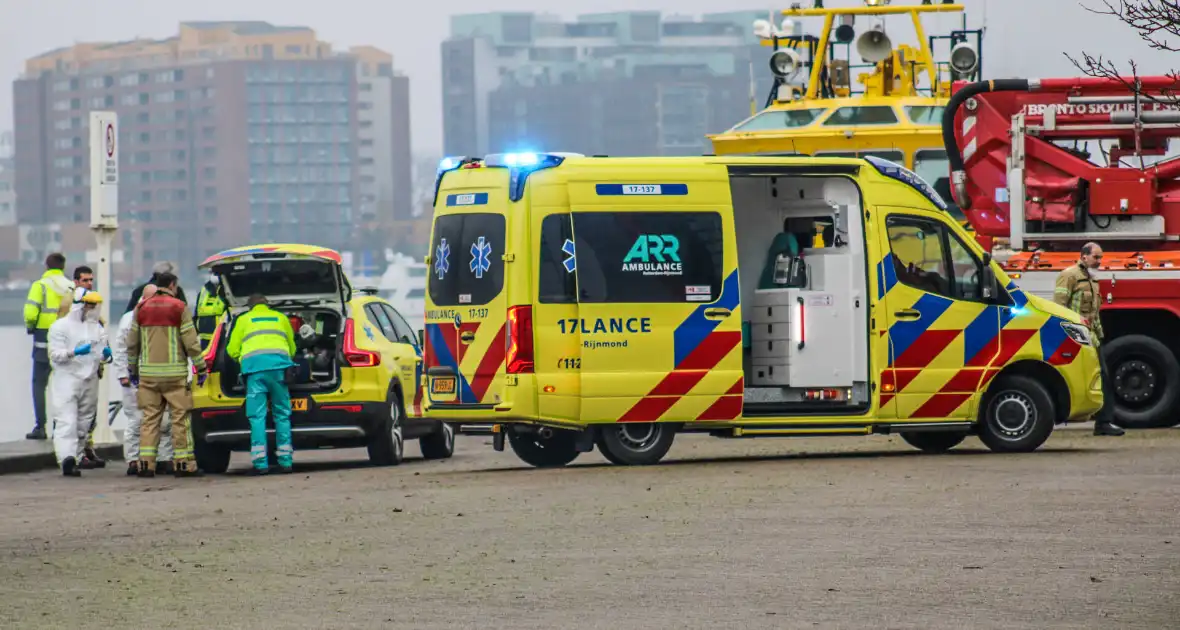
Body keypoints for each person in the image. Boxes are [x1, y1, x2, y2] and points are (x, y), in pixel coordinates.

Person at [126, 272, 207, 478]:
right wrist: (201, 367)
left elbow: (132, 344)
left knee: (149, 420)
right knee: (180, 419)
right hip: (175, 376)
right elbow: (191, 342)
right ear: (172, 285)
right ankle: (183, 464)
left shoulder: (141, 308)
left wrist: (132, 370)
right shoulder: (179, 307)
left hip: (149, 376)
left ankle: (146, 465)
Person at [1054, 242, 1125, 437]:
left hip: (1091, 337)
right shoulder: (1069, 276)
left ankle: (1104, 422)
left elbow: (1094, 313)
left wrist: (1100, 336)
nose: (1099, 261)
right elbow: (1059, 309)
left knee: (1103, 377)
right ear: (1084, 256)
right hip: (1076, 337)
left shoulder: (1093, 280)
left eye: (1101, 257)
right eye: (1096, 257)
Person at [226, 294, 297, 475]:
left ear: (250, 307)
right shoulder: (281, 318)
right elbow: (293, 347)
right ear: (268, 305)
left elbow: (231, 350)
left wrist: (242, 360)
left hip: (255, 372)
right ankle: (286, 461)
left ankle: (260, 464)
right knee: (282, 414)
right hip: (280, 370)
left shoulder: (243, 320)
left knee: (257, 417)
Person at [111, 284, 175, 476]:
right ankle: (133, 459)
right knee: (137, 420)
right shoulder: (129, 319)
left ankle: (163, 459)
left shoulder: (157, 315)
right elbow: (122, 348)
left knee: (164, 420)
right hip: (135, 378)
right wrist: (123, 374)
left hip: (155, 374)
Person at [47, 289, 110, 477]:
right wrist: (74, 352)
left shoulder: (97, 328)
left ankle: (77, 456)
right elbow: (55, 355)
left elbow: (102, 351)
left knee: (84, 422)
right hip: (66, 379)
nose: (91, 309)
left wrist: (106, 356)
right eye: (88, 304)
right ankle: (66, 458)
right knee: (67, 421)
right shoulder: (60, 327)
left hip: (89, 379)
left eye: (94, 305)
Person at [58, 267, 109, 468]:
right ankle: (73, 453)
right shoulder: (69, 303)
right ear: (76, 281)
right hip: (74, 366)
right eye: (85, 280)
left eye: (91, 280)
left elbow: (99, 327)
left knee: (89, 413)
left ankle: (86, 448)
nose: (89, 283)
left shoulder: (93, 301)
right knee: (73, 413)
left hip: (92, 364)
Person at [23, 253, 73, 440]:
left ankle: (40, 427)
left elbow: (30, 311)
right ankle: (59, 425)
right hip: (67, 340)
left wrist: (31, 326)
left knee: (39, 384)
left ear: (46, 266)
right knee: (63, 386)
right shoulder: (71, 286)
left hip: (43, 339)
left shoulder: (40, 286)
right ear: (63, 267)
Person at [194, 273, 226, 350]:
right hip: (205, 339)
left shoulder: (228, 289)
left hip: (222, 337)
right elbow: (196, 314)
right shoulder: (204, 290)